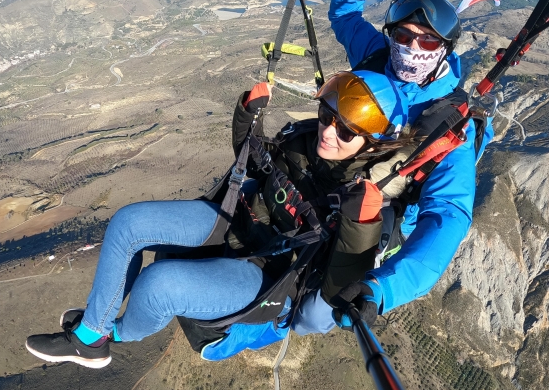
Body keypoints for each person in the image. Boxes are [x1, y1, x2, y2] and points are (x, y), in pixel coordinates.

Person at [25, 70, 413, 368]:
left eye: (347, 132)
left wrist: (360, 227)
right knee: (129, 223)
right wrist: (247, 118)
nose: (330, 132)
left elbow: (337, 289)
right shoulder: (303, 141)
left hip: (265, 274)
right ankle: (90, 337)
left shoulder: (363, 200)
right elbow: (256, 164)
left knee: (159, 286)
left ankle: (116, 334)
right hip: (234, 223)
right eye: (328, 115)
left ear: (372, 144)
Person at [291, 0, 494, 334]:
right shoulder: (376, 54)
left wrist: (384, 288)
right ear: (391, 35)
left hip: (387, 208)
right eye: (403, 36)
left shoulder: (453, 127)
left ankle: (267, 328)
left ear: (445, 49)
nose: (413, 48)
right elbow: (344, 14)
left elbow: (448, 215)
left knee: (314, 316)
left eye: (429, 41)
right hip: (339, 171)